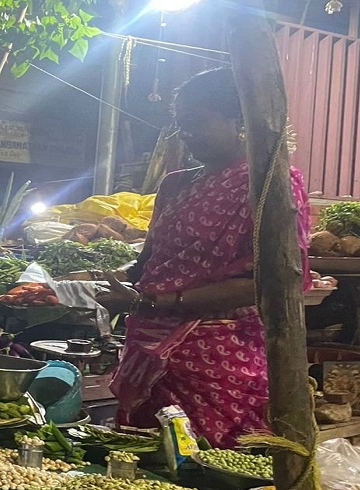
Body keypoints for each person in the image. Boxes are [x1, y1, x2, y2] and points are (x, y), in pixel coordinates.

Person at [99, 67, 311, 447]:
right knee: (141, 455)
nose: (186, 134)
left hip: (220, 358)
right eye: (181, 124)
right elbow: (149, 261)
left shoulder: (270, 186)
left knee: (208, 466)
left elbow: (269, 280)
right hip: (150, 348)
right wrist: (100, 282)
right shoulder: (175, 183)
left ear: (239, 122)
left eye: (196, 123)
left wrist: (152, 300)